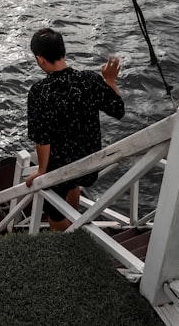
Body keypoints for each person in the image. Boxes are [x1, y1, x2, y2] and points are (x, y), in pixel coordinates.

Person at [25, 27, 125, 231]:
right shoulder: (89, 79)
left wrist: (42, 171)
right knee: (73, 185)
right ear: (63, 51)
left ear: (40, 59)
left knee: (53, 211)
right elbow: (118, 110)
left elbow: (42, 138)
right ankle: (73, 222)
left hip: (60, 167)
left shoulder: (39, 92)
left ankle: (65, 237)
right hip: (88, 162)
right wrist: (110, 80)